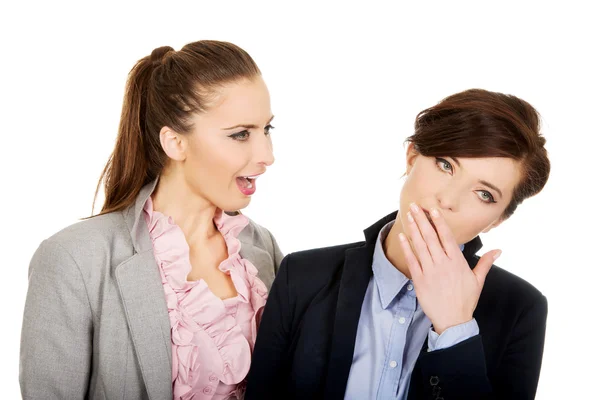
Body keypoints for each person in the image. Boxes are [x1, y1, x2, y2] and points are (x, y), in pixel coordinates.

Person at [246, 89, 550, 400]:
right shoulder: (302, 276)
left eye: (484, 194)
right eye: (446, 165)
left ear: (497, 220)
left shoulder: (520, 309)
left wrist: (455, 330)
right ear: (413, 157)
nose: (448, 200)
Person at [20, 40, 282, 400]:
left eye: (267, 129)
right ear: (175, 143)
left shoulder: (259, 247)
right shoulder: (73, 260)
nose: (266, 155)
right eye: (240, 134)